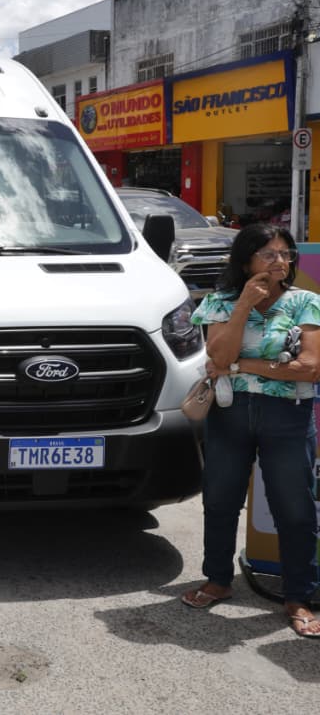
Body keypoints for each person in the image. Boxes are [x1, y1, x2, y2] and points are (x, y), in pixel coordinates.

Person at [181, 223, 320, 639]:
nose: (280, 262)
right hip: (231, 412)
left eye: (285, 254)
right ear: (246, 261)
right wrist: (243, 305)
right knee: (220, 499)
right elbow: (217, 355)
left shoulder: (306, 302)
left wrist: (241, 366)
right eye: (269, 254)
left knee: (295, 508)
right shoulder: (220, 302)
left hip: (288, 415)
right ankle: (217, 580)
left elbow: (310, 368)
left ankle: (298, 596)